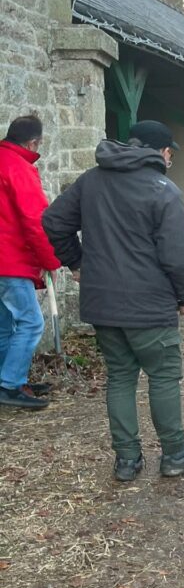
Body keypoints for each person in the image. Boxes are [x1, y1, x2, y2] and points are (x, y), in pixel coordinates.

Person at [42, 120, 184, 482]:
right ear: (163, 152)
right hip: (149, 305)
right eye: (170, 153)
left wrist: (76, 262)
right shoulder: (163, 190)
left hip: (103, 304)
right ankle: (175, 454)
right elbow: (179, 254)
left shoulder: (91, 180)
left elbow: (54, 220)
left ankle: (126, 460)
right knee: (163, 375)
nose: (170, 158)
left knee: (120, 376)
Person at [0, 114, 60, 410]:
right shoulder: (19, 168)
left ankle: (7, 379)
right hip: (10, 262)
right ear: (33, 142)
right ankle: (10, 385)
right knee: (31, 323)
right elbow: (36, 222)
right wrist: (51, 261)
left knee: (4, 325)